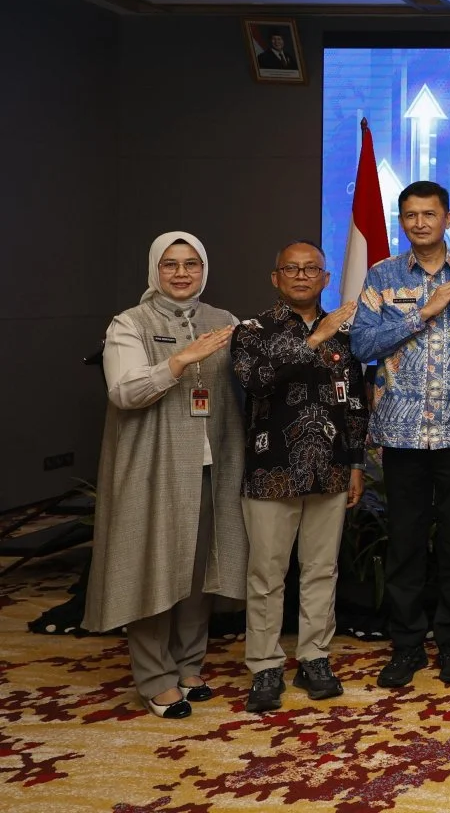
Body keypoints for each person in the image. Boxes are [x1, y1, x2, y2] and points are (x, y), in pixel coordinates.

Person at [84, 233, 248, 718]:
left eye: (191, 264)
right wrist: (179, 361)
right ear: (155, 270)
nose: (181, 273)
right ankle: (155, 675)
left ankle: (189, 664)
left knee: (199, 572)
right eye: (170, 264)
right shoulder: (129, 324)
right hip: (152, 469)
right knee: (154, 566)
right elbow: (125, 392)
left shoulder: (225, 322)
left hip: (210, 464)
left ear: (204, 269)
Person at [351, 180, 450, 688]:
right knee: (406, 545)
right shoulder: (382, 274)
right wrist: (424, 311)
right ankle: (407, 646)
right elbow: (361, 343)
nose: (420, 222)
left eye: (429, 214)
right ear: (402, 222)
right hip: (401, 431)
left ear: (446, 220)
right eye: (411, 215)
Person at [230, 240, 369, 713]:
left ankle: (314, 657)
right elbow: (256, 379)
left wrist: (355, 464)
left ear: (327, 279)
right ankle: (265, 666)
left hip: (329, 470)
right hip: (272, 471)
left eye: (312, 269)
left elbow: (354, 405)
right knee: (267, 574)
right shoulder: (252, 331)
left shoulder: (345, 339)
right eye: (292, 268)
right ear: (276, 277)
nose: (303, 275)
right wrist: (313, 339)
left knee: (321, 571)